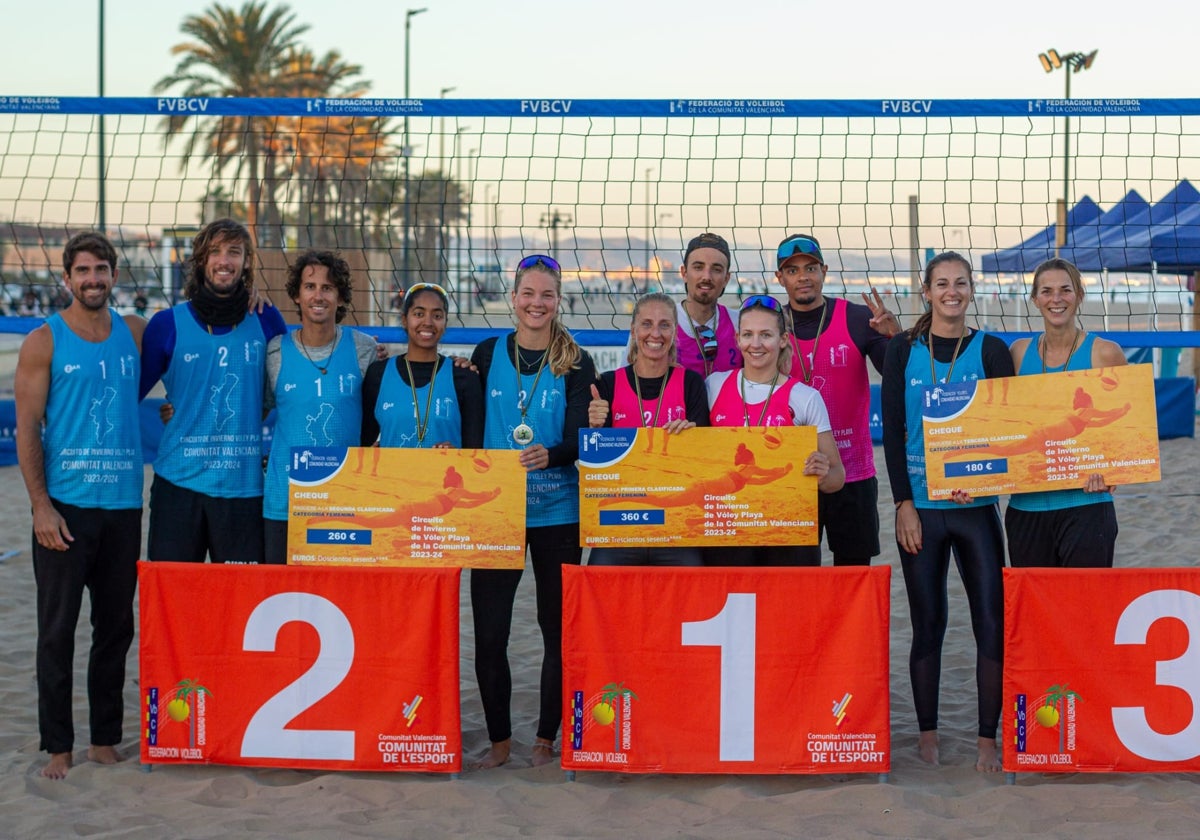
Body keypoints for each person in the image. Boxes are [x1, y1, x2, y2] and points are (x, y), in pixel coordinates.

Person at [14, 232, 145, 779]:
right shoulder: (43, 341)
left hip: (122, 507)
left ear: (114, 276)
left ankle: (105, 739)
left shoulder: (136, 334)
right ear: (67, 278)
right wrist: (41, 507)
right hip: (65, 509)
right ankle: (59, 746)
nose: (93, 279)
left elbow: (192, 361)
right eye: (83, 271)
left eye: (102, 270)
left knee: (115, 628)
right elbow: (26, 430)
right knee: (57, 630)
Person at [880, 251, 1014, 772]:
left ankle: (985, 740)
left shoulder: (992, 351)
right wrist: (902, 504)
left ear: (971, 290)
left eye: (960, 283)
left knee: (989, 623)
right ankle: (929, 735)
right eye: (942, 283)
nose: (951, 291)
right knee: (928, 623)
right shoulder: (901, 350)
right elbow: (892, 432)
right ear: (927, 291)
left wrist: (983, 479)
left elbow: (1007, 432)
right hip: (922, 510)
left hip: (975, 508)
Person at [469, 254, 596, 769]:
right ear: (515, 298)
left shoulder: (576, 360)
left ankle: (545, 738)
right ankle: (500, 742)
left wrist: (553, 454)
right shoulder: (484, 353)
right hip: (495, 511)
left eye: (547, 295)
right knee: (491, 632)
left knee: (556, 629)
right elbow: (466, 419)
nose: (536, 303)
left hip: (557, 509)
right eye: (528, 294)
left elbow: (578, 439)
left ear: (557, 300)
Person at [139, 219, 286, 564]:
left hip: (243, 488)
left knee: (240, 608)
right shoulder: (166, 325)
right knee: (174, 602)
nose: (224, 261)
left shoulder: (266, 320)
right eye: (215, 252)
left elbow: (292, 388)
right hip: (178, 485)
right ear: (201, 261)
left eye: (234, 252)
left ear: (247, 261)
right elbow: (128, 390)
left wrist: (366, 354)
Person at [776, 233, 901, 566]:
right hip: (792, 477)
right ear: (779, 278)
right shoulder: (772, 325)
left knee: (854, 576)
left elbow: (896, 375)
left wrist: (896, 337)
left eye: (810, 268)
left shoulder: (857, 318)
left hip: (853, 472)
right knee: (798, 578)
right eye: (792, 270)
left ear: (824, 271)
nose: (803, 276)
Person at [1004, 257, 1128, 568]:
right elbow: (1006, 422)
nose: (1056, 299)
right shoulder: (1018, 353)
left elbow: (1125, 434)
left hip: (1087, 504)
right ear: (1034, 299)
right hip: (1027, 507)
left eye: (1065, 290)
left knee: (1083, 610)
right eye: (1046, 291)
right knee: (1036, 611)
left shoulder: (1105, 352)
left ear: (1079, 295)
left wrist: (1114, 471)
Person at [705, 295, 845, 566]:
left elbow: (837, 476)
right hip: (729, 534)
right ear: (737, 338)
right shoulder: (714, 386)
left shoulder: (805, 398)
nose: (755, 344)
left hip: (788, 535)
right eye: (748, 334)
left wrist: (822, 472)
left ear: (783, 339)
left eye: (766, 335)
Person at [261, 250, 379, 565]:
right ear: (297, 296)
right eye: (310, 286)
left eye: (327, 288)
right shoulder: (275, 352)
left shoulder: (364, 349)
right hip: (284, 501)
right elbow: (251, 411)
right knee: (284, 600)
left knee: (339, 602)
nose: (318, 295)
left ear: (340, 298)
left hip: (344, 501)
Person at [586, 292, 709, 566]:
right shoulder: (606, 384)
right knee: (599, 581)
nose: (656, 333)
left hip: (675, 526)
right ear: (633, 330)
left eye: (664, 325)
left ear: (675, 332)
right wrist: (595, 430)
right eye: (647, 324)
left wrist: (693, 438)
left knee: (692, 588)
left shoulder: (691, 383)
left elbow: (703, 465)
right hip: (621, 526)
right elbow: (597, 471)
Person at [361, 282, 483, 451]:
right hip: (393, 476)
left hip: (446, 476)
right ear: (404, 320)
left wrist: (458, 456)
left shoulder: (464, 376)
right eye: (419, 313)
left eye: (437, 316)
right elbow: (363, 443)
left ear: (445, 323)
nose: (428, 322)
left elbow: (475, 451)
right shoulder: (378, 374)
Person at [675, 233, 743, 377]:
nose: (706, 277)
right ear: (684, 273)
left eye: (716, 269)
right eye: (698, 267)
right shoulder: (659, 323)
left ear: (726, 278)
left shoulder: (740, 324)